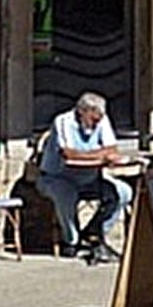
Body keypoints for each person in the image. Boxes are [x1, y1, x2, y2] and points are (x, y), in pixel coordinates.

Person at [37, 91, 133, 259]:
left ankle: (94, 232)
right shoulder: (63, 121)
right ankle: (71, 241)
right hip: (57, 177)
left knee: (123, 192)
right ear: (82, 112)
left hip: (90, 178)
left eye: (98, 120)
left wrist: (95, 155)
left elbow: (112, 149)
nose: (96, 125)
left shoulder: (102, 120)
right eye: (93, 120)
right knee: (66, 194)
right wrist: (100, 154)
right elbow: (69, 154)